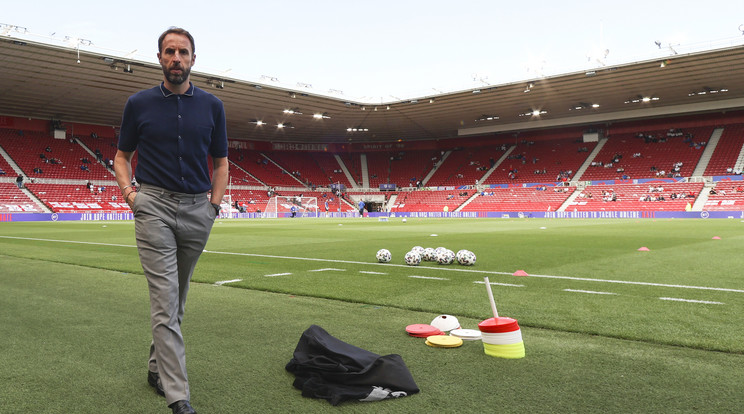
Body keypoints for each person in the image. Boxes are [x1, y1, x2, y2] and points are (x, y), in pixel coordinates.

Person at [114, 27, 228, 414]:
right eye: (169, 52)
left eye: (183, 52)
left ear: (193, 59)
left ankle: (154, 368)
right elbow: (121, 156)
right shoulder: (138, 104)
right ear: (159, 58)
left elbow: (222, 163)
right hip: (154, 209)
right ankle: (178, 397)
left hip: (199, 211)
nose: (176, 58)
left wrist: (213, 207)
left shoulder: (212, 106)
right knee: (165, 303)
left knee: (176, 300)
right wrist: (132, 196)